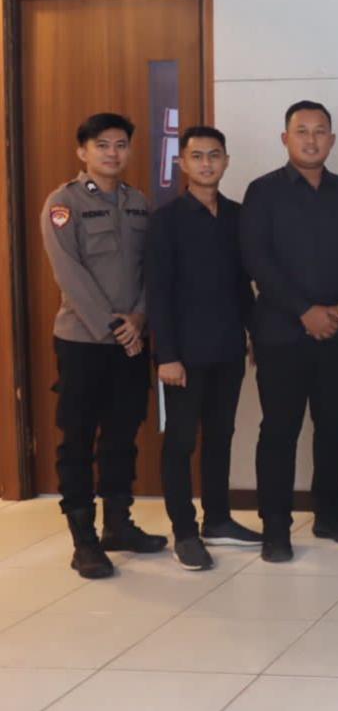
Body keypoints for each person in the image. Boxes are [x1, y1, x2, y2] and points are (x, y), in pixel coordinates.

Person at [41, 113, 166, 579]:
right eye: (102, 145)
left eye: (120, 145)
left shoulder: (138, 203)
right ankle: (84, 541)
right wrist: (115, 327)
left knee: (122, 432)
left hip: (132, 338)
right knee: (78, 436)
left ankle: (118, 525)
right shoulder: (63, 203)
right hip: (83, 341)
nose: (112, 153)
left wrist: (139, 317)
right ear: (83, 152)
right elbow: (68, 272)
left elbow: (152, 269)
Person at [241, 101, 338, 563]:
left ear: (332, 139)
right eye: (302, 131)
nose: (311, 140)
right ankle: (276, 527)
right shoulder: (262, 192)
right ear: (285, 138)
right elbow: (257, 260)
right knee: (279, 431)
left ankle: (330, 515)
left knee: (334, 429)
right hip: (280, 335)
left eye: (320, 131)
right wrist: (304, 311)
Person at [146, 125, 262, 570]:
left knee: (221, 435)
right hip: (184, 354)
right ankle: (185, 531)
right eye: (197, 156)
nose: (206, 163)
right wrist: (167, 355)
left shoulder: (237, 215)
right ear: (182, 164)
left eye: (214, 155)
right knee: (180, 441)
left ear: (226, 161)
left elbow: (243, 285)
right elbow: (158, 292)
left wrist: (254, 334)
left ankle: (218, 519)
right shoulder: (167, 220)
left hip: (228, 347)